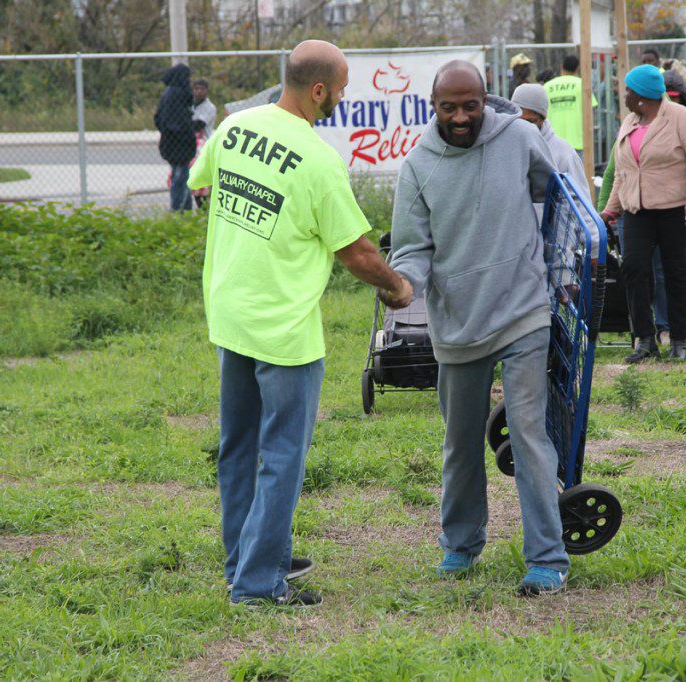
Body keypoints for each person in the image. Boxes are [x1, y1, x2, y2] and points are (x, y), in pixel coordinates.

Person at [188, 40, 413, 608]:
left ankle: (247, 555)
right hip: (284, 330)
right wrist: (398, 287)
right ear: (319, 90)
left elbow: (198, 184)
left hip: (231, 313)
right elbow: (357, 252)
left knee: (238, 446)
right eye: (340, 89)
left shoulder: (236, 127)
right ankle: (259, 584)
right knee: (282, 453)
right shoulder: (317, 160)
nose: (342, 97)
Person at [390, 60, 570, 597]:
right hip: (458, 322)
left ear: (486, 100)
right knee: (460, 441)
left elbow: (555, 189)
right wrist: (402, 284)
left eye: (471, 105)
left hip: (522, 309)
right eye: (450, 107)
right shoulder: (417, 166)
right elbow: (412, 248)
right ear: (434, 106)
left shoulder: (517, 136)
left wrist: (558, 259)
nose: (462, 116)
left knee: (529, 433)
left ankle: (547, 557)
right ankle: (461, 543)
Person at [601, 65, 686, 363]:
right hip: (636, 209)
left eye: (628, 90)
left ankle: (678, 339)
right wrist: (610, 210)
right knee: (634, 267)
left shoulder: (680, 118)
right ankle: (646, 338)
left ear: (642, 95)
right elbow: (623, 171)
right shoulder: (629, 122)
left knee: (675, 272)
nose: (624, 95)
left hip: (676, 209)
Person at [511, 83, 590, 205]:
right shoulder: (506, 147)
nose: (524, 127)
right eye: (518, 120)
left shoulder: (564, 153)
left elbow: (581, 204)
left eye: (530, 121)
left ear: (542, 119)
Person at [155, 63, 197, 211]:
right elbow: (176, 121)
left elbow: (159, 119)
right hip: (179, 144)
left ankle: (184, 207)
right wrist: (187, 130)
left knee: (180, 176)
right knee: (180, 177)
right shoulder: (177, 94)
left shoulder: (169, 93)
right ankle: (178, 209)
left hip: (172, 143)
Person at [545, 54, 597, 158]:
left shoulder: (547, 86)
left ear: (561, 67)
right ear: (577, 69)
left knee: (555, 174)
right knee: (577, 174)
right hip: (577, 142)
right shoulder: (583, 85)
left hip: (552, 142)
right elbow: (593, 107)